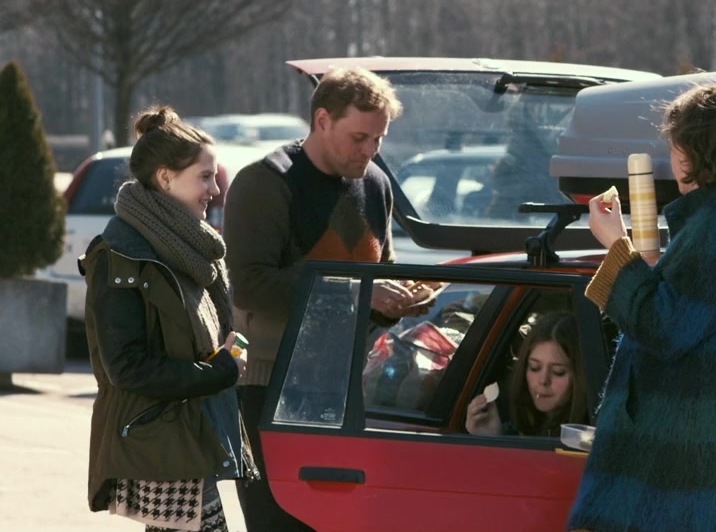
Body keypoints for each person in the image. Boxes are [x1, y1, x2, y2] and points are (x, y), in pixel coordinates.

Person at [567, 82, 716, 532]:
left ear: (691, 152)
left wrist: (616, 246)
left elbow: (663, 326)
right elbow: (695, 315)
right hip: (715, 467)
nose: (670, 158)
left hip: (682, 477)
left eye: (674, 146)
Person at [223, 67, 421, 531]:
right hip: (269, 386)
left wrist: (400, 299)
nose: (370, 150)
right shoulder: (265, 182)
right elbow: (250, 285)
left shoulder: (376, 184)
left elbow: (380, 272)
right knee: (278, 523)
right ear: (322, 120)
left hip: (347, 383)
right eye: (359, 138)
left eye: (379, 139)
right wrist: (362, 294)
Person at [81, 105, 254, 531]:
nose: (215, 189)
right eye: (205, 177)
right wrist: (218, 371)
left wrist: (224, 358)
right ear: (165, 177)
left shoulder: (190, 248)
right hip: (160, 443)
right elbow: (127, 367)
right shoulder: (122, 255)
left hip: (188, 436)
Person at [465, 312, 589, 437]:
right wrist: (492, 436)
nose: (543, 380)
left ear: (580, 375)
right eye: (534, 368)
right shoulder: (516, 424)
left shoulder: (589, 436)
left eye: (558, 372)